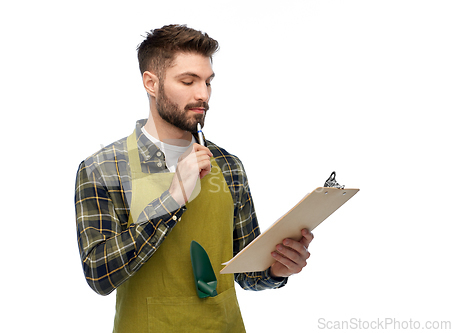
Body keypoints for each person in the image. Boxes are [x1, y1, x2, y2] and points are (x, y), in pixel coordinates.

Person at [74, 24, 314, 332]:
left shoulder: (228, 165)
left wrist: (276, 270)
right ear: (151, 82)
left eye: (208, 82)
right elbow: (99, 274)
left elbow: (246, 275)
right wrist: (172, 199)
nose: (203, 94)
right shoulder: (104, 167)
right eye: (187, 81)